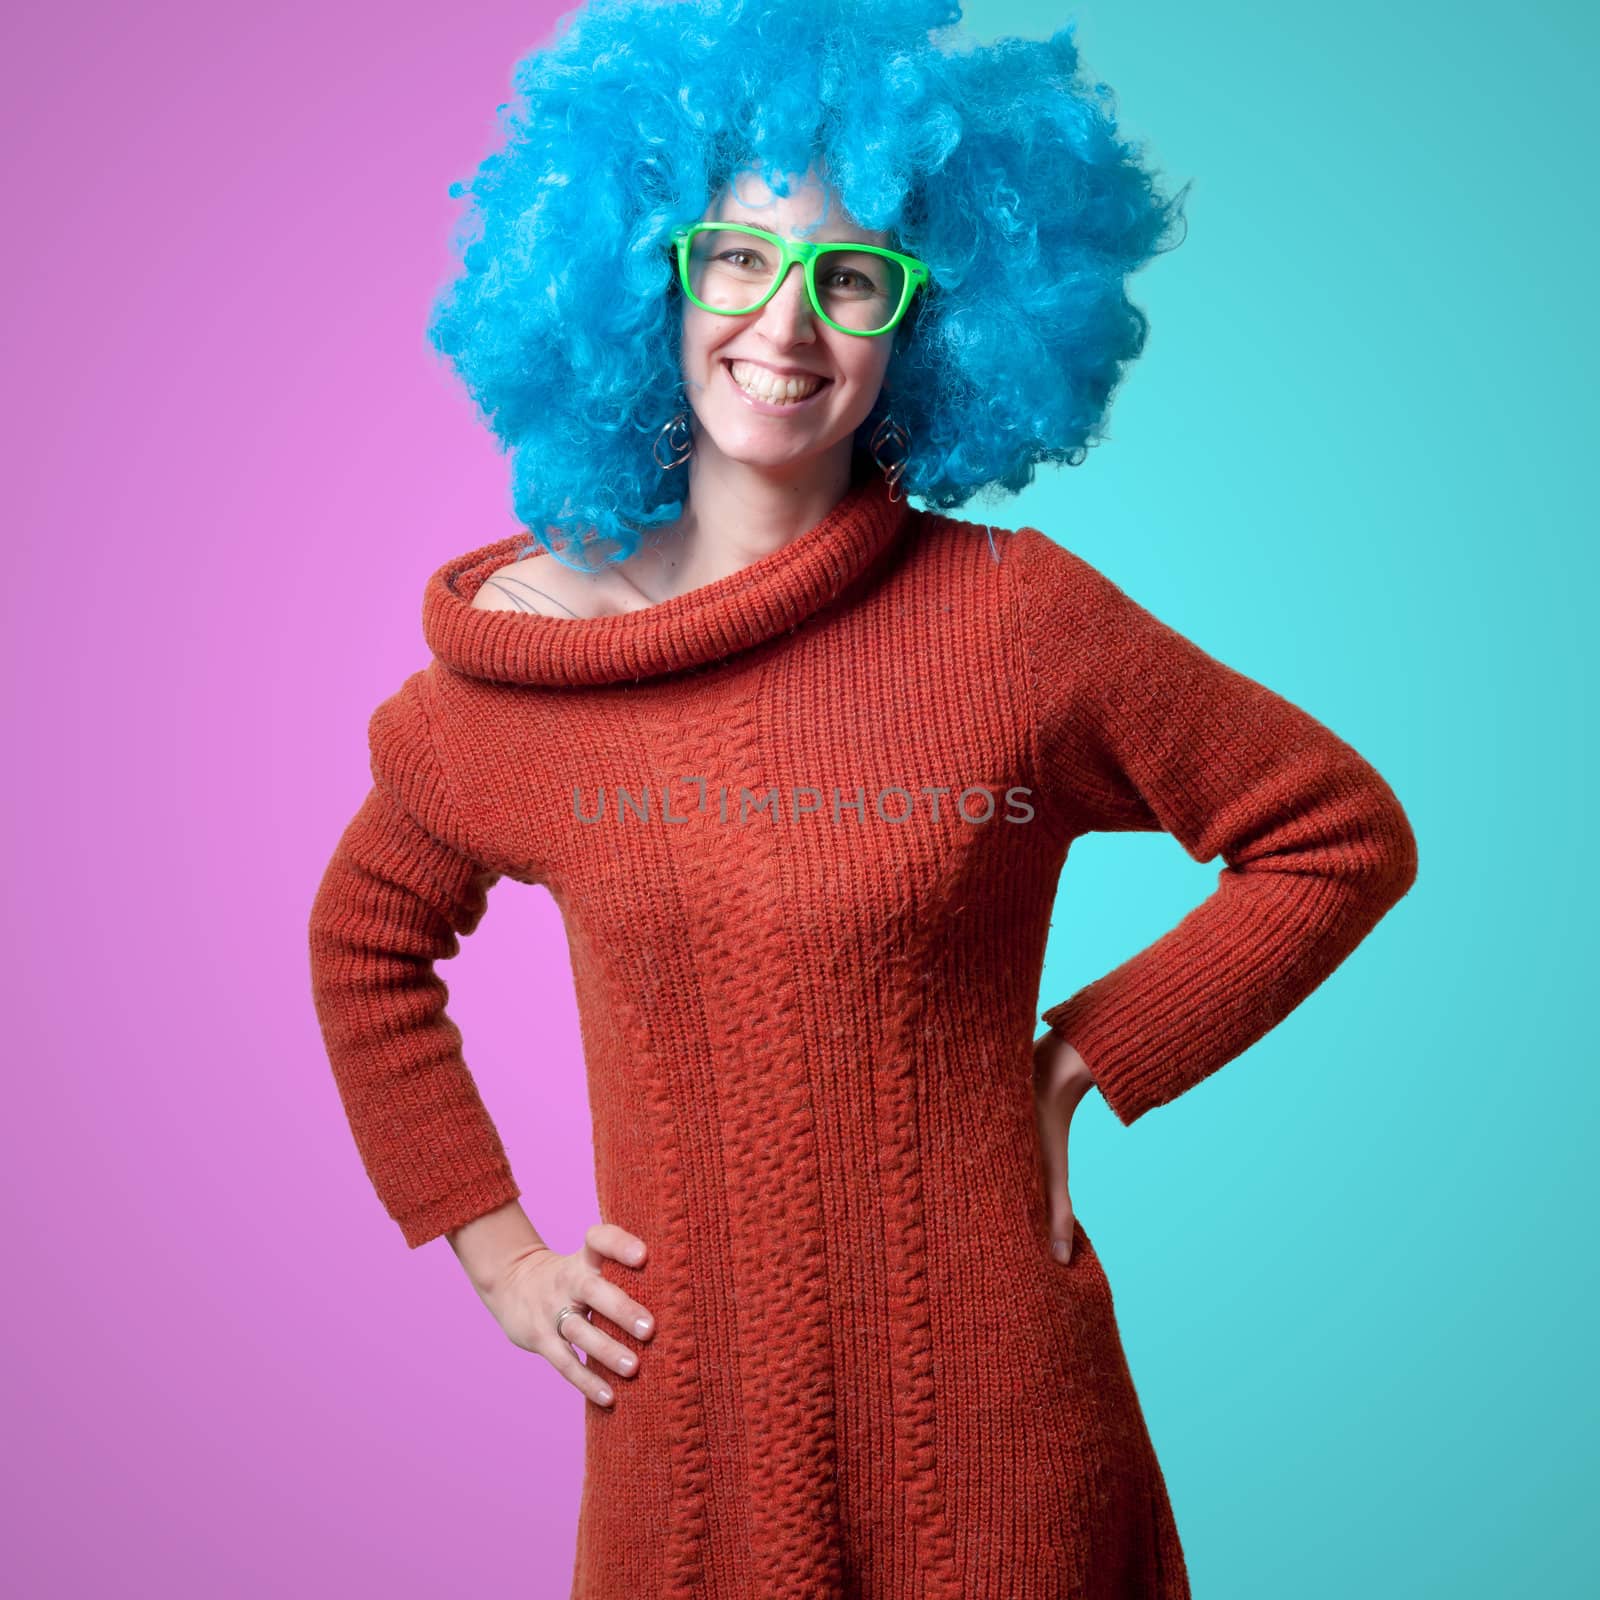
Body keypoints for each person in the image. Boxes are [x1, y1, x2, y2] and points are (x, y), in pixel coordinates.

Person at [307, 3, 1419, 1595]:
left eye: (853, 275)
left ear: (928, 319)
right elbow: (363, 950)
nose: (787, 322)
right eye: (739, 261)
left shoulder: (1018, 625)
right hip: (687, 1444)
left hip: (999, 1425)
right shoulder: (522, 680)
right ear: (650, 279)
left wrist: (1083, 1059)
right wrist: (497, 1254)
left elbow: (1336, 836)